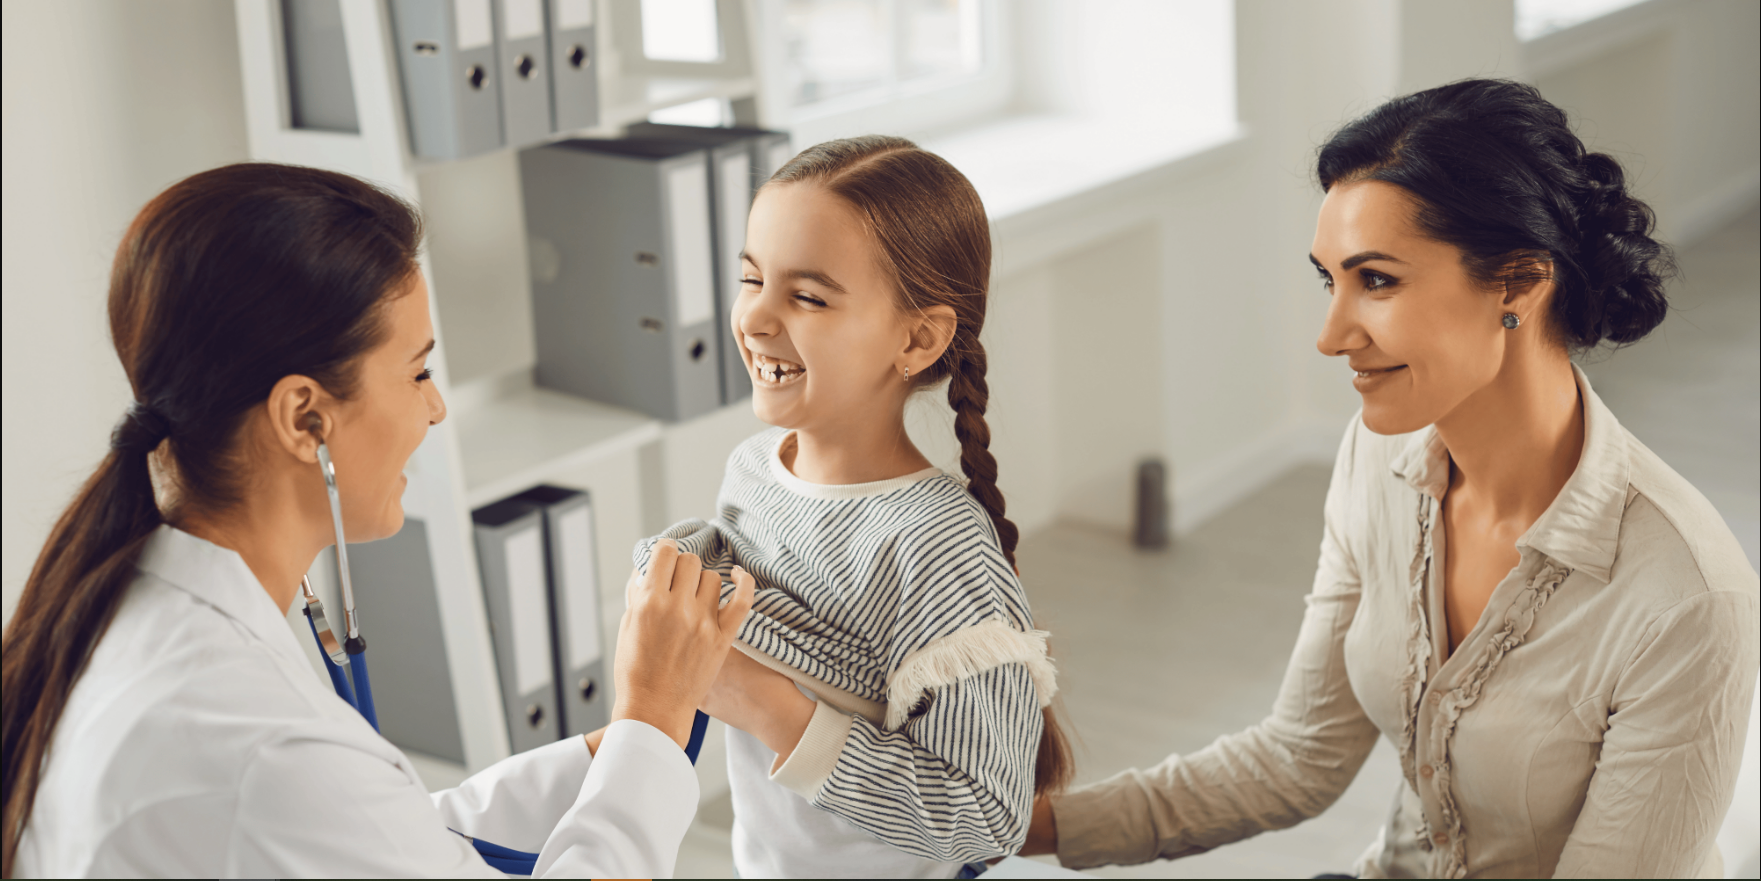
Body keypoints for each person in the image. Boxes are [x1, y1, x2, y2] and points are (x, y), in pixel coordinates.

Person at [1020, 79, 1759, 878]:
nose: (1331, 335)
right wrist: (1022, 826)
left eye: (1375, 280)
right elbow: (1296, 756)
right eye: (1326, 280)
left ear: (1516, 283)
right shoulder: (1377, 460)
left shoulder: (1687, 597)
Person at [0, 163, 756, 878]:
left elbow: (388, 834)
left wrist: (615, 746)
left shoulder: (137, 604)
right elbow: (333, 810)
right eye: (418, 371)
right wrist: (653, 721)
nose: (435, 407)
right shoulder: (256, 741)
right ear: (305, 417)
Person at [630, 136, 1073, 878]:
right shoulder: (752, 471)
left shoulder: (935, 547)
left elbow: (985, 817)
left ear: (918, 338)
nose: (755, 318)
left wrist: (769, 705)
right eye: (750, 278)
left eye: (806, 296)